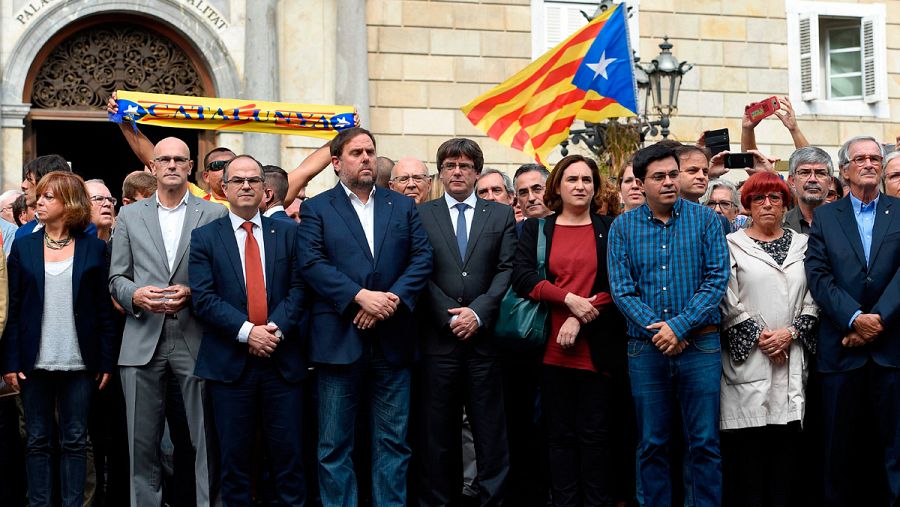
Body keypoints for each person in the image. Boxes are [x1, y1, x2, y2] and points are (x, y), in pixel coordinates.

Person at [298, 127, 432, 506]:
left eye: (370, 151)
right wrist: (359, 297)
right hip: (339, 342)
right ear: (337, 163)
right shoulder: (317, 208)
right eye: (356, 153)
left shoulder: (401, 206)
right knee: (334, 446)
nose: (366, 158)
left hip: (393, 340)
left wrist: (389, 300)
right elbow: (311, 264)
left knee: (393, 442)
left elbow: (421, 259)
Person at [608, 142, 729, 507]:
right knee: (652, 443)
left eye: (673, 175)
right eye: (658, 177)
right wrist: (661, 330)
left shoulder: (706, 220)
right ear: (641, 184)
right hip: (646, 349)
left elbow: (716, 278)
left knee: (704, 443)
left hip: (701, 346)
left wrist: (679, 326)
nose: (669, 183)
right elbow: (622, 290)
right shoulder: (622, 227)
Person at [109, 137, 228, 507]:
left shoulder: (214, 214)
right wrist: (135, 296)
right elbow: (117, 278)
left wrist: (192, 291)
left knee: (204, 440)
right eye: (165, 159)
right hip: (143, 335)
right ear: (153, 167)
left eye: (180, 159)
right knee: (140, 444)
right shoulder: (130, 215)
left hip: (195, 334)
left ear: (191, 167)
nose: (173, 165)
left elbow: (223, 276)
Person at [190, 155, 309, 506]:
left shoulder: (289, 232)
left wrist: (274, 330)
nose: (246, 186)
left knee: (289, 463)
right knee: (234, 465)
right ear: (223, 188)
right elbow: (204, 299)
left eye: (253, 180)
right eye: (238, 180)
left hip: (282, 363)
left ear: (265, 190)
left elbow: (301, 289)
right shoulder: (205, 238)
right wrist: (247, 332)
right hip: (230, 367)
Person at [511, 154, 622, 506]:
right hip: (548, 348)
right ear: (557, 185)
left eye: (587, 180)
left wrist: (581, 314)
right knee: (558, 436)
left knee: (595, 436)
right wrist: (568, 300)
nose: (580, 186)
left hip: (596, 348)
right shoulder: (537, 229)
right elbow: (523, 277)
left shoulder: (610, 228)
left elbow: (618, 284)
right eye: (572, 179)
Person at [1, 171, 115, 507]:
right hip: (33, 361)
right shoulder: (23, 246)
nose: (38, 202)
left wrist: (106, 359)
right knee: (37, 440)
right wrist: (9, 361)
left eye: (49, 197)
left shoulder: (93, 248)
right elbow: (14, 309)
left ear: (69, 203)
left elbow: (102, 312)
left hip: (79, 361)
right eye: (40, 196)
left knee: (76, 440)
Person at [415, 138, 516, 506]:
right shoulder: (422, 214)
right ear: (440, 172)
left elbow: (507, 270)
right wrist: (449, 316)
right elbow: (418, 272)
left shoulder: (500, 214)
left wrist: (478, 313)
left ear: (477, 172)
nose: (457, 172)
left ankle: (492, 500)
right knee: (437, 432)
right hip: (439, 341)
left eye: (465, 166)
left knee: (490, 430)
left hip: (483, 341)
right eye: (450, 166)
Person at [805, 135, 900, 506]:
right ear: (844, 170)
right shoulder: (827, 216)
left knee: (895, 450)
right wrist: (855, 318)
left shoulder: (898, 209)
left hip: (891, 350)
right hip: (840, 354)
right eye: (860, 158)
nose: (869, 164)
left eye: (875, 158)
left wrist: (877, 321)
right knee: (838, 452)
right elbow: (818, 274)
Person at [718, 172, 819, 506]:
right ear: (746, 204)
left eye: (775, 198)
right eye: (758, 198)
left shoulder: (805, 245)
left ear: (784, 204)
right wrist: (762, 338)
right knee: (748, 459)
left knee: (787, 459)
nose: (767, 205)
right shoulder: (731, 245)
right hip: (750, 363)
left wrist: (790, 334)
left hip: (792, 356)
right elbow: (726, 297)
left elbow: (814, 295)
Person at [107, 93, 332, 208]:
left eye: (231, 165)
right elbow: (153, 156)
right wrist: (123, 121)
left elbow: (305, 171)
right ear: (204, 175)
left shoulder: (259, 198)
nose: (225, 169)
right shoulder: (195, 197)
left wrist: (342, 137)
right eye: (217, 166)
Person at [783, 147, 834, 234]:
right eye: (805, 172)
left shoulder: (847, 220)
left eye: (820, 173)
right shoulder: (780, 223)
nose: (813, 179)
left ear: (830, 182)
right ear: (792, 181)